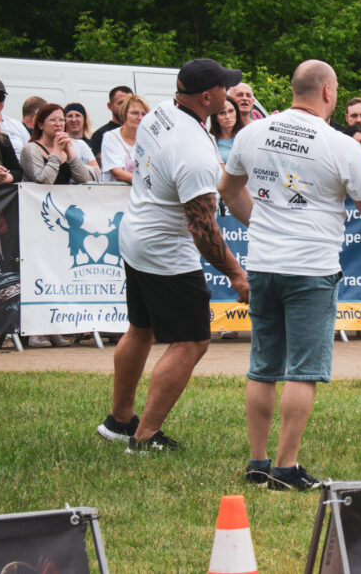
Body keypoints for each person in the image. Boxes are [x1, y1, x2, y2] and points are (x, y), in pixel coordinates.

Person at [219, 59, 361, 490]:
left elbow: (228, 191)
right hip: (311, 267)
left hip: (263, 263)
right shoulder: (340, 144)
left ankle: (258, 462)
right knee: (302, 370)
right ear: (328, 91)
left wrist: (260, 224)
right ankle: (285, 468)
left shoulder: (252, 132)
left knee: (262, 366)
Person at [96, 58, 248, 453]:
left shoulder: (162, 112)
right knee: (192, 341)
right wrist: (236, 273)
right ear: (206, 97)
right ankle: (145, 437)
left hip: (137, 234)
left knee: (140, 328)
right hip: (166, 251)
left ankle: (120, 420)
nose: (230, 92)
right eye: (225, 87)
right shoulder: (193, 149)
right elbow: (203, 229)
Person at [20, 104, 100, 184]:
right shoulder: (31, 149)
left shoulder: (69, 146)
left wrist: (70, 154)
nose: (58, 124)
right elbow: (44, 181)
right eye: (53, 120)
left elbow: (84, 180)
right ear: (41, 125)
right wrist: (56, 152)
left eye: (61, 120)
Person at [101, 95, 149, 183]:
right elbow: (118, 174)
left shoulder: (147, 140)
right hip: (116, 191)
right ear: (124, 114)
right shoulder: (110, 137)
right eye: (135, 113)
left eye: (144, 114)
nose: (140, 118)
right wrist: (147, 183)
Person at [90, 86, 133, 159]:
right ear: (110, 106)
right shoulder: (100, 135)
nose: (126, 107)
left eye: (129, 103)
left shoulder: (138, 131)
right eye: (121, 103)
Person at [63, 102, 100, 169]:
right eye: (70, 116)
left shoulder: (92, 144)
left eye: (77, 115)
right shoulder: (62, 144)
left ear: (84, 119)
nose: (73, 120)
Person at [210, 97, 242, 164]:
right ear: (215, 118)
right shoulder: (211, 142)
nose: (227, 116)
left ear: (236, 113)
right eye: (222, 113)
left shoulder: (245, 137)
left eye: (231, 111)